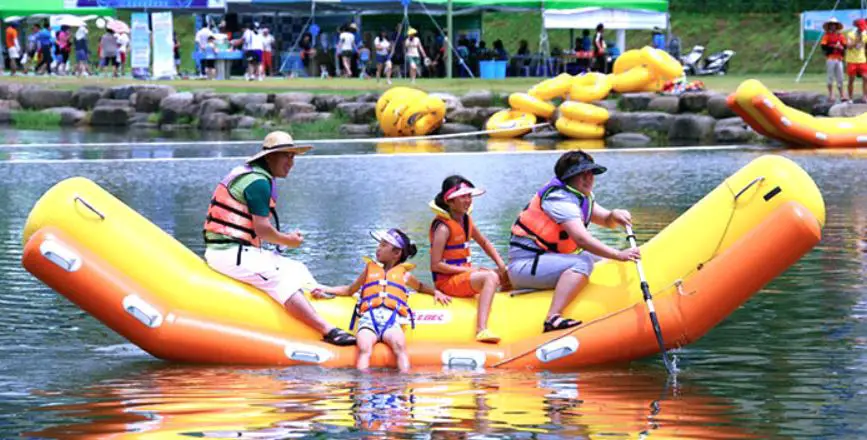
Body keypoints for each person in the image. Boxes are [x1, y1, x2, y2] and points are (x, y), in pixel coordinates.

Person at [203, 131, 357, 347]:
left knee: (296, 268)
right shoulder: (258, 183)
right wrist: (289, 241)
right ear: (270, 157)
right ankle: (328, 330)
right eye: (287, 156)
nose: (291, 163)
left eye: (293, 157)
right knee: (279, 280)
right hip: (228, 254)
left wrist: (286, 241)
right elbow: (263, 230)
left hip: (240, 251)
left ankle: (319, 293)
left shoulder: (254, 175)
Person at [507, 150, 641, 332]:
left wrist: (615, 214)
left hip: (545, 261)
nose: (588, 179)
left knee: (600, 259)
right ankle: (552, 318)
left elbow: (605, 220)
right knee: (583, 261)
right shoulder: (559, 198)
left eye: (590, 173)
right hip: (526, 266)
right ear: (569, 177)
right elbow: (581, 239)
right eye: (581, 174)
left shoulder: (580, 195)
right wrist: (619, 254)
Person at [322, 229, 450, 372]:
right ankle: (363, 387)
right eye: (379, 245)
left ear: (396, 253)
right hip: (369, 319)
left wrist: (436, 292)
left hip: (392, 320)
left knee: (400, 347)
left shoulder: (404, 275)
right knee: (364, 348)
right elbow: (349, 290)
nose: (378, 248)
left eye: (383, 246)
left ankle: (404, 386)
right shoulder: (369, 270)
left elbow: (420, 287)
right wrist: (324, 289)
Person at [429, 176, 508, 344]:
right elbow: (436, 265)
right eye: (463, 197)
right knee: (490, 277)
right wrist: (470, 271)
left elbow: (484, 243)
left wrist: (502, 266)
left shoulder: (465, 220)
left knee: (506, 273)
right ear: (450, 201)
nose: (468, 200)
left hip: (463, 277)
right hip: (447, 283)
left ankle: (505, 308)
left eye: (469, 196)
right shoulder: (442, 228)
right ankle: (481, 329)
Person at [821, 18, 847, 101]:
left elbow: (845, 46)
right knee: (830, 77)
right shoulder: (827, 36)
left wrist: (841, 48)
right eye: (831, 25)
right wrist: (833, 46)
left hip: (839, 58)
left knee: (840, 77)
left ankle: (842, 94)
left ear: (836, 26)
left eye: (834, 25)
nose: (833, 26)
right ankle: (831, 94)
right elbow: (823, 47)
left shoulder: (841, 36)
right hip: (831, 58)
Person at [845, 19, 867, 102]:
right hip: (851, 60)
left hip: (862, 60)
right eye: (861, 27)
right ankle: (850, 98)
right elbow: (848, 46)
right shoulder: (850, 34)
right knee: (851, 79)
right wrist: (857, 41)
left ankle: (865, 96)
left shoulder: (865, 34)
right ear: (857, 27)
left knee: (865, 77)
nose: (862, 29)